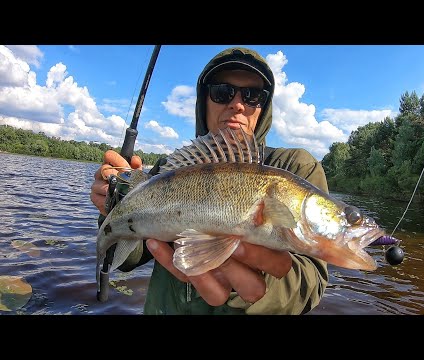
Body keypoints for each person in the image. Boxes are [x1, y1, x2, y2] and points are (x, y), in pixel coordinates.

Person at [90, 47, 330, 315]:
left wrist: (257, 284)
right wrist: (111, 207)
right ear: (204, 100)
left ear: (264, 108)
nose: (237, 104)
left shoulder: (294, 169)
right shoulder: (167, 172)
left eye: (252, 96)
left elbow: (310, 286)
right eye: (222, 92)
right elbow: (129, 258)